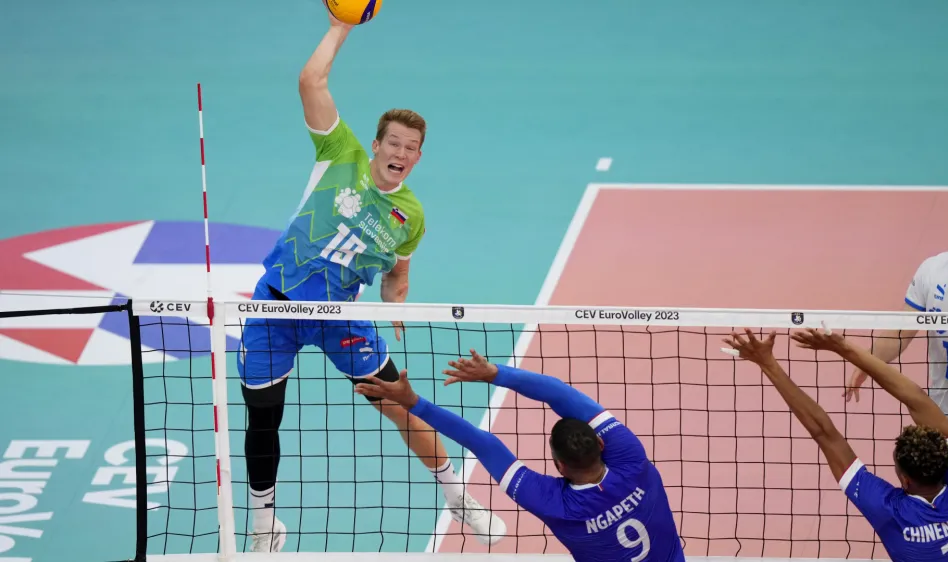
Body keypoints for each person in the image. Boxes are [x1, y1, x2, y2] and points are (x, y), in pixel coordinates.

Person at [236, 12, 503, 552]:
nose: (401, 154)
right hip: (276, 309)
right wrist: (342, 25)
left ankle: (456, 497)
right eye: (394, 143)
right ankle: (265, 522)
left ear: (418, 157)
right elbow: (311, 81)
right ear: (377, 144)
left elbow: (397, 275)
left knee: (400, 403)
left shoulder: (411, 215)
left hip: (343, 319)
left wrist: (394, 307)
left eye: (412, 148)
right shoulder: (341, 153)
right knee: (264, 419)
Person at [354, 349, 686, 562]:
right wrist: (496, 374)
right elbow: (560, 393)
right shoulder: (632, 461)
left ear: (558, 465)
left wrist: (414, 402)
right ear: (601, 444)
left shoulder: (555, 503)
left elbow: (482, 444)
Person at [724, 327, 948, 561]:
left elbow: (824, 432)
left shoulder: (890, 512)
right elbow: (916, 398)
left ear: (904, 481)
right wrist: (843, 347)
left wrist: (768, 363)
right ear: (947, 462)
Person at [844, 182, 948, 467]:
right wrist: (866, 362)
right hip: (936, 407)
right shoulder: (932, 271)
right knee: (926, 481)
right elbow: (902, 332)